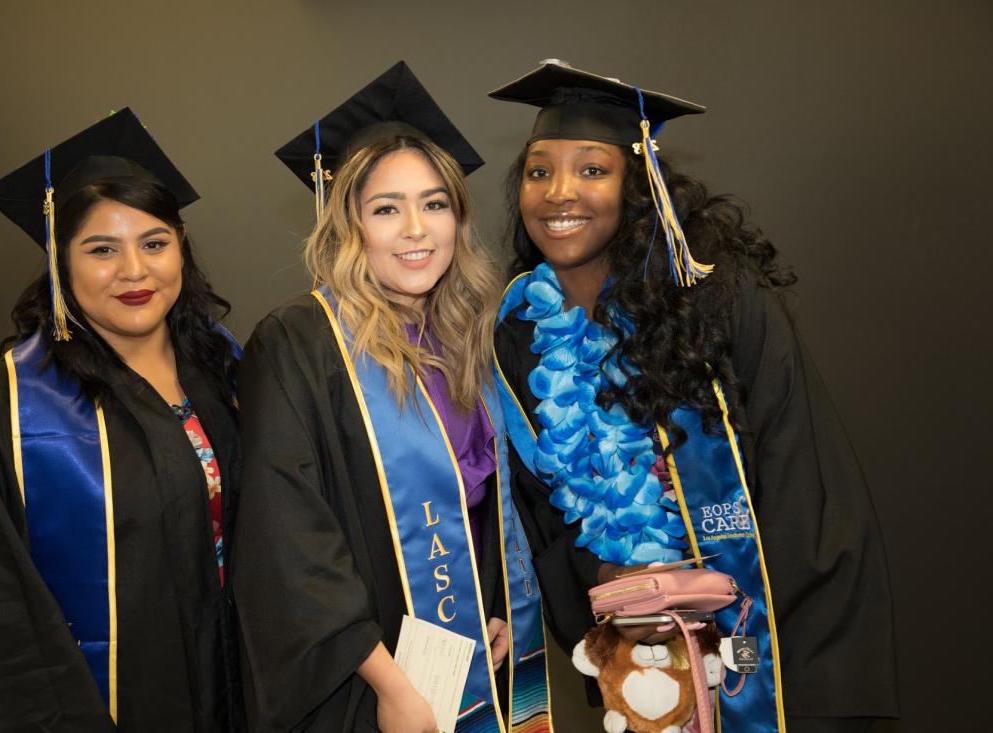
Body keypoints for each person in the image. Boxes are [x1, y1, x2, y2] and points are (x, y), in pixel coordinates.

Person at [488, 60, 899, 732]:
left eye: (592, 169)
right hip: (643, 660)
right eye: (539, 171)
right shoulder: (520, 338)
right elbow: (543, 516)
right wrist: (620, 590)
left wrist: (810, 662)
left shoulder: (713, 297)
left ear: (637, 184)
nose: (559, 192)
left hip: (772, 643)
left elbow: (800, 470)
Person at [232, 62, 552, 733]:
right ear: (349, 224)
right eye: (386, 208)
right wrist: (387, 679)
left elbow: (489, 505)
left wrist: (494, 603)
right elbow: (290, 533)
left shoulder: (469, 335)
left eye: (435, 203)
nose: (415, 229)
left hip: (463, 650)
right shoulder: (301, 339)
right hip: (362, 675)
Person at [0, 109, 244, 732]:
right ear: (60, 263)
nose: (134, 271)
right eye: (102, 249)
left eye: (154, 243)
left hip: (237, 675)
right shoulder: (15, 402)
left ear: (181, 247)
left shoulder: (222, 362)